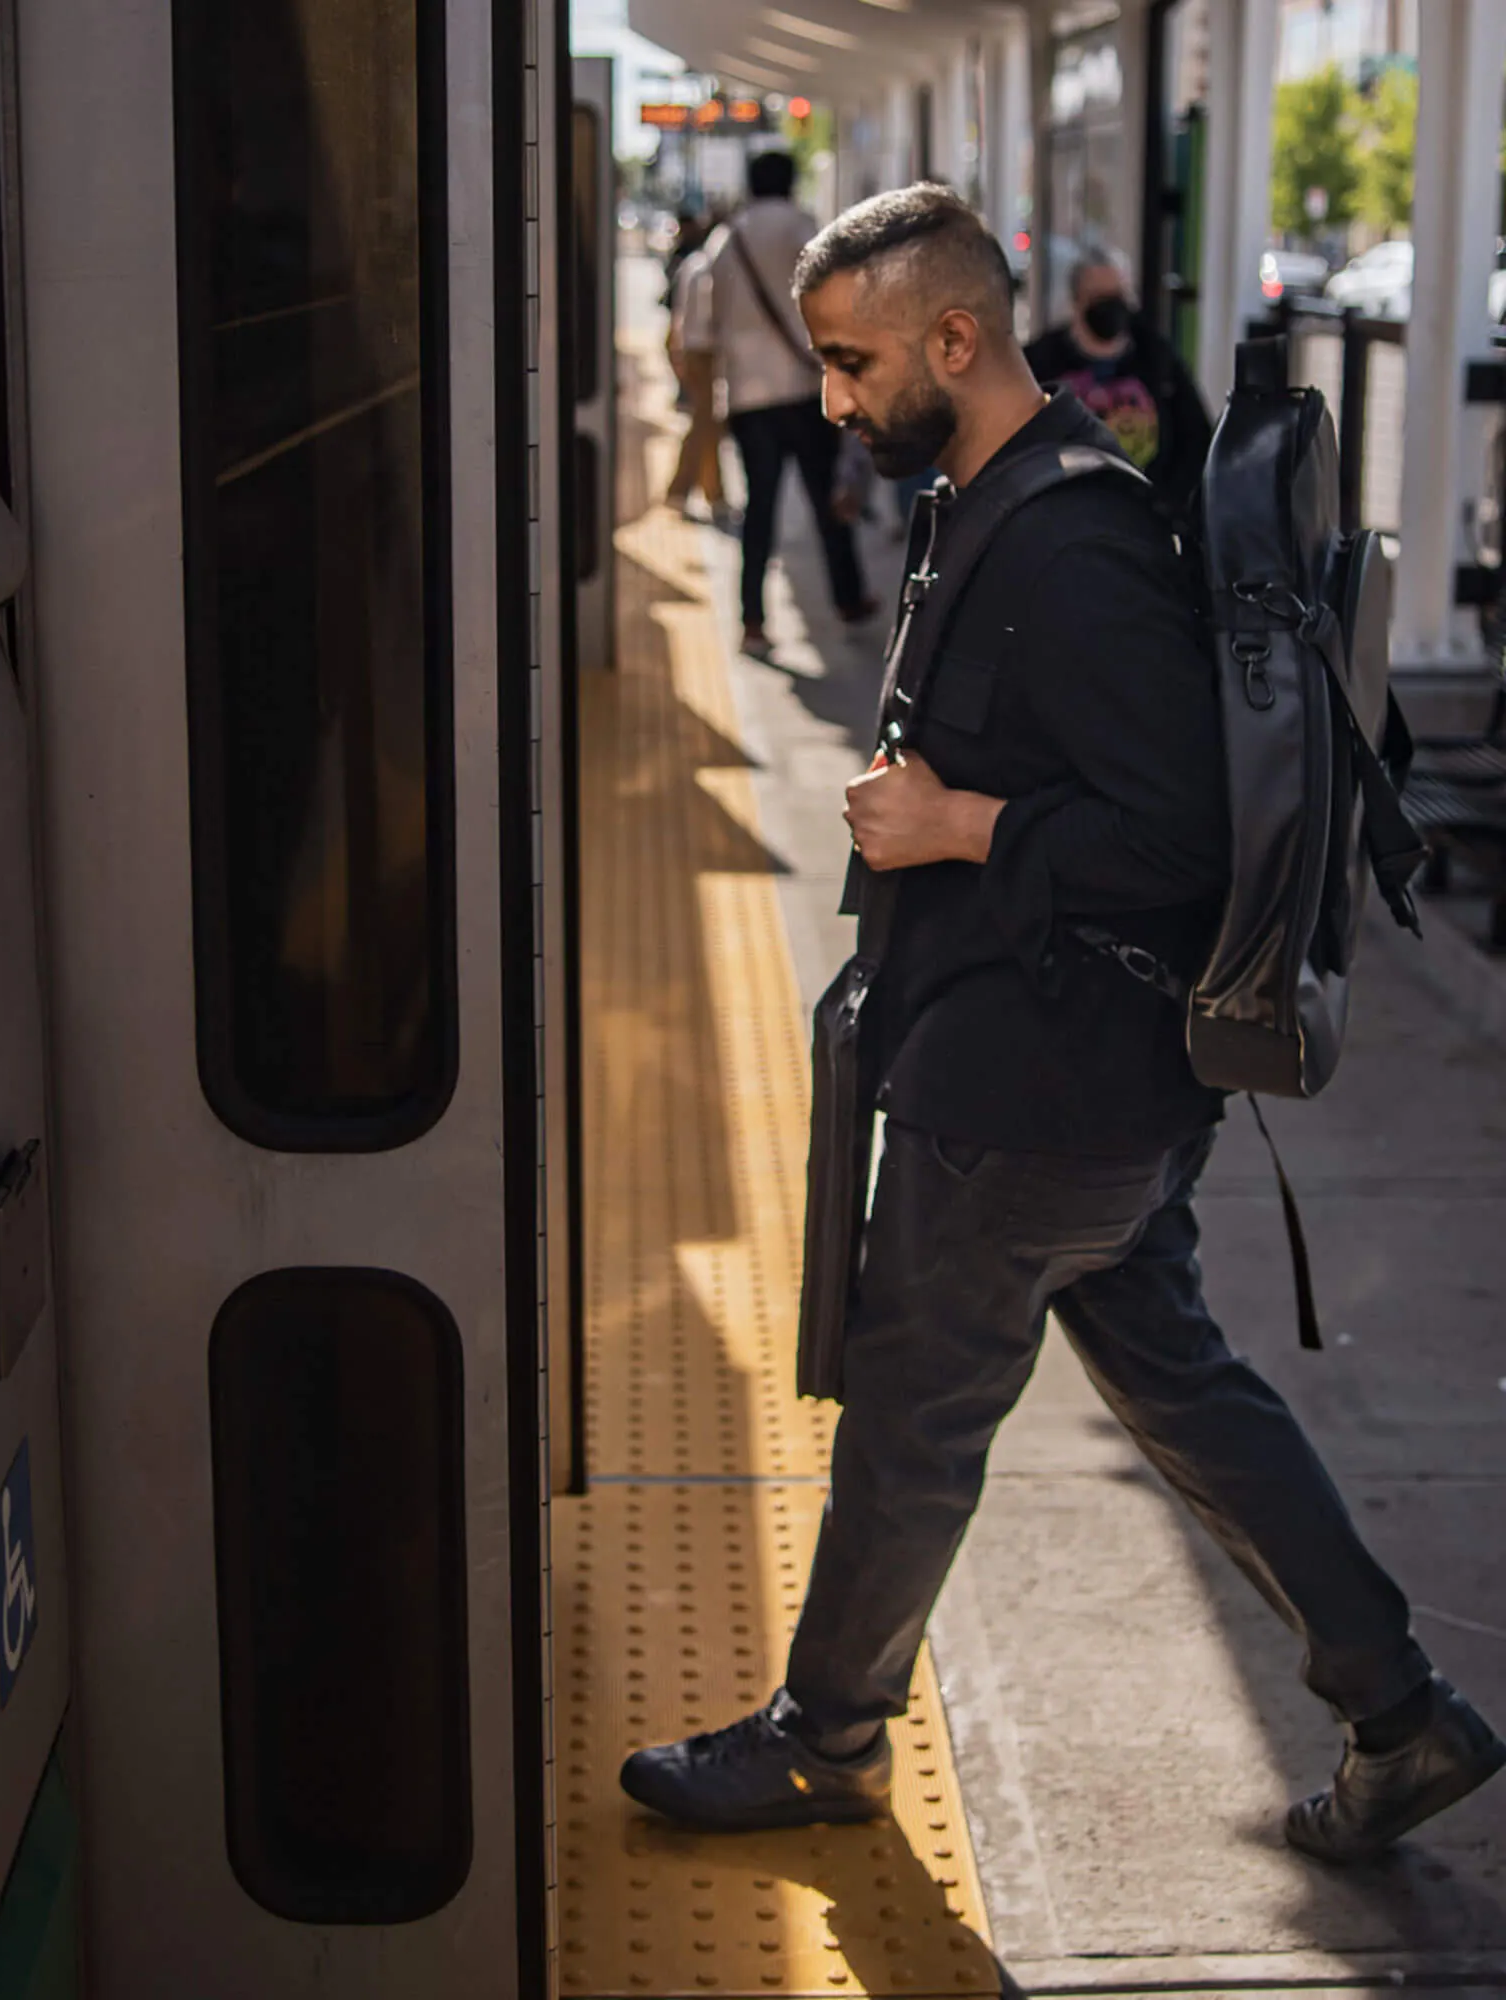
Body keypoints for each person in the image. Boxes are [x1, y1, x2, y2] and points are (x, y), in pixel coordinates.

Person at [621, 184, 1503, 1865]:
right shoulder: (996, 499)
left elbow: (1172, 836)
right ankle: (1401, 1710)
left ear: (956, 338)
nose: (829, 400)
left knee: (915, 1409)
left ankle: (828, 1736)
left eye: (853, 362)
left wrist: (963, 830)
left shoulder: (1073, 545)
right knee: (1185, 1388)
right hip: (1094, 1085)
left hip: (1033, 1089)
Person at [688, 151, 877, 654]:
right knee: (825, 501)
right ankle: (849, 597)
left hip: (748, 397)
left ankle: (753, 621)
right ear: (792, 182)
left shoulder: (725, 240)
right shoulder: (807, 229)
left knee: (761, 508)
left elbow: (704, 324)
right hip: (805, 390)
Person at [1024, 249, 1213, 521]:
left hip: (1147, 519)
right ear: (1077, 302)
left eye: (1118, 296)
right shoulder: (1042, 362)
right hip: (1064, 521)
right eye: (1100, 297)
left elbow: (1196, 439)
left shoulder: (1158, 358)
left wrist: (1169, 505)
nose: (1111, 307)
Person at [663, 226, 727, 520]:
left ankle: (714, 493)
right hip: (704, 352)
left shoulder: (693, 265)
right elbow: (710, 319)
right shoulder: (710, 271)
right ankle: (679, 490)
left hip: (692, 348)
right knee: (705, 421)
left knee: (708, 423)